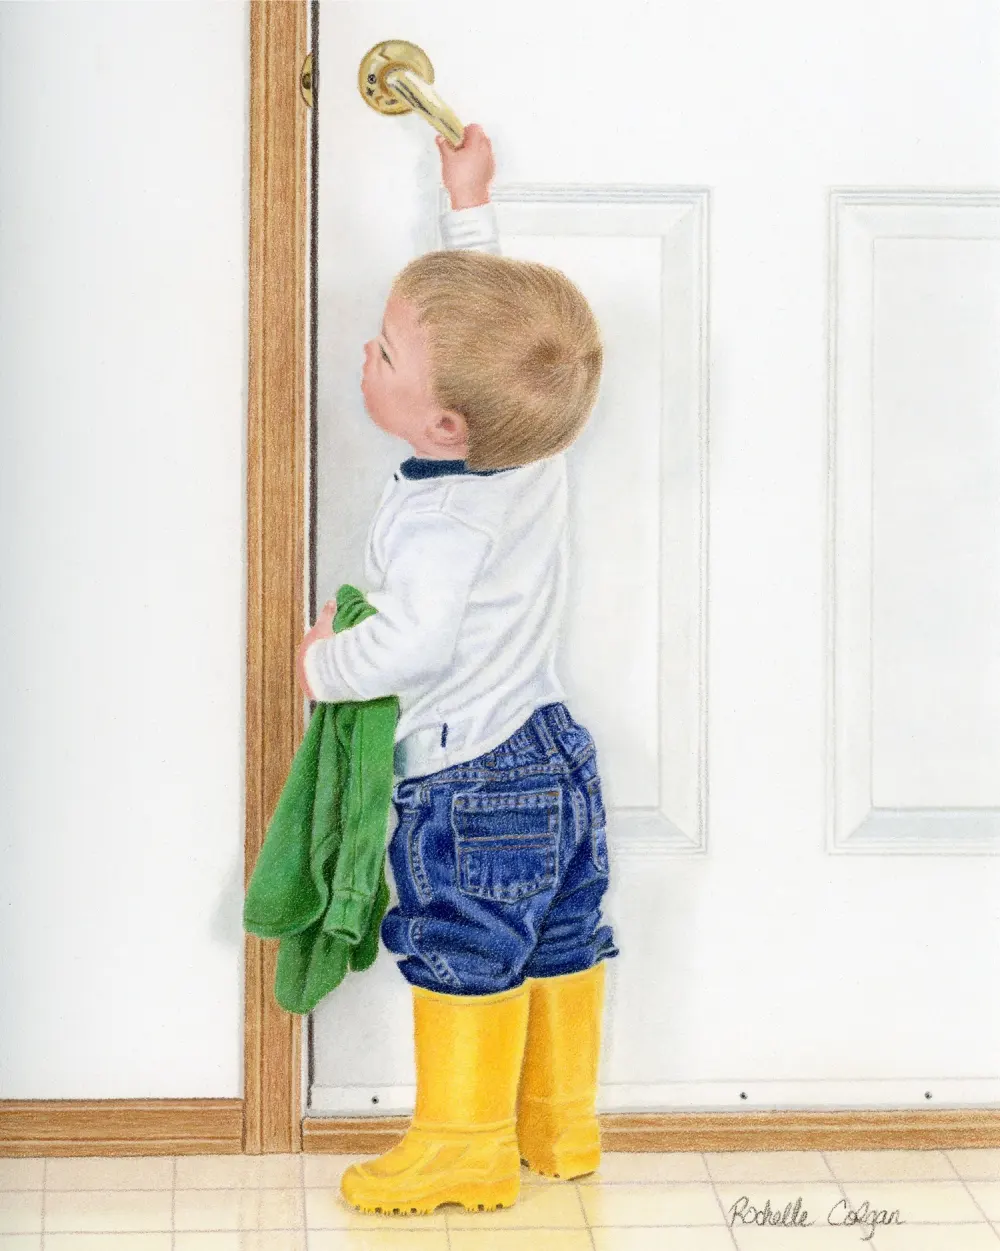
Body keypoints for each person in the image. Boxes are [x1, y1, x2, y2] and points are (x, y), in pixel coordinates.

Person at [296, 123, 618, 1216]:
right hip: (553, 755)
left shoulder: (439, 520)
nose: (365, 357)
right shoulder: (537, 445)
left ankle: (463, 1150)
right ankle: (560, 1128)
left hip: (471, 780)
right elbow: (502, 335)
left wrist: (322, 664)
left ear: (440, 422)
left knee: (462, 947)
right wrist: (466, 204)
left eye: (383, 353)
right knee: (561, 933)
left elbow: (413, 645)